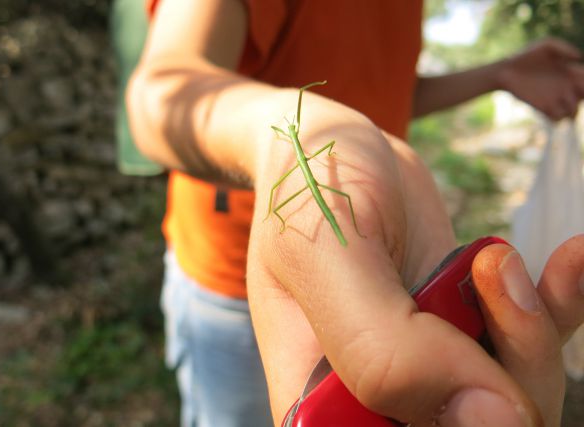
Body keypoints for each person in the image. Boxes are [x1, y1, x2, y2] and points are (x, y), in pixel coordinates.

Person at [126, 1, 584, 426]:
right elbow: (161, 91)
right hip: (232, 282)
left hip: (380, 254)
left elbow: (393, 89)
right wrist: (292, 131)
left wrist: (499, 73)